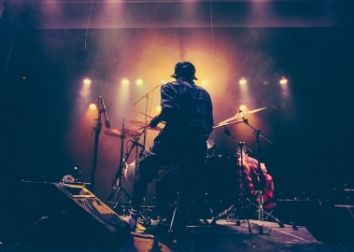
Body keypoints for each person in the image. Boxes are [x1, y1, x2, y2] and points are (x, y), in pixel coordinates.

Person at [128, 61, 214, 230]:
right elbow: (210, 123)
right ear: (192, 76)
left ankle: (133, 216)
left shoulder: (170, 86)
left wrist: (156, 120)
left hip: (173, 142)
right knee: (188, 181)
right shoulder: (205, 93)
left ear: (176, 74)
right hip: (197, 146)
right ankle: (181, 221)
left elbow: (170, 111)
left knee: (143, 169)